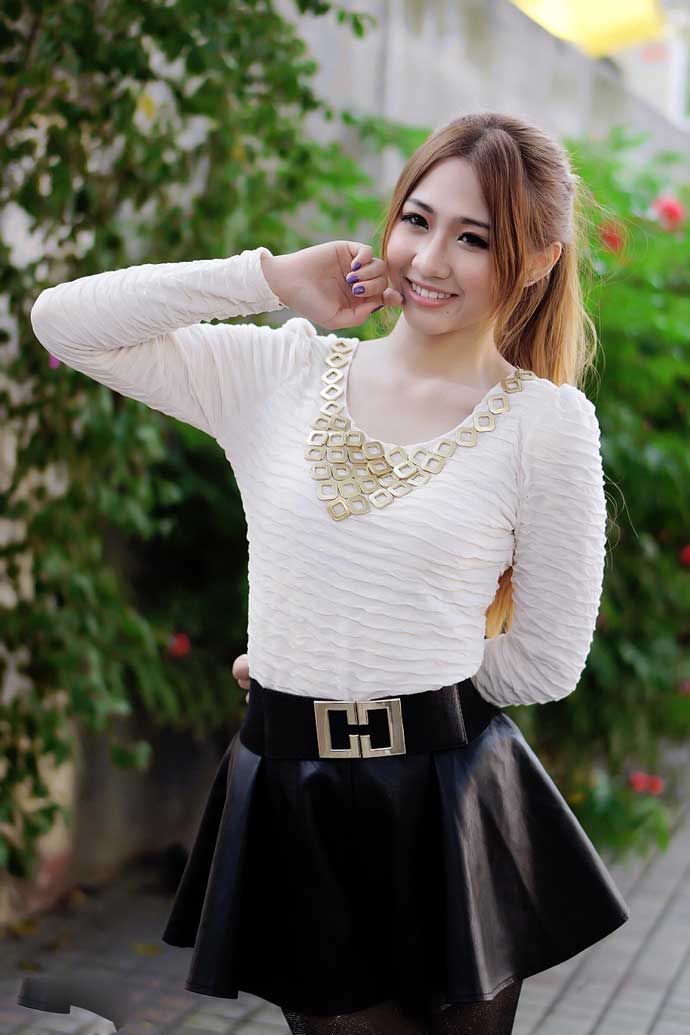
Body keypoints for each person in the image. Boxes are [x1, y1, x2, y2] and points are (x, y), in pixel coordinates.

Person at [30, 111, 630, 1035]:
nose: (429, 259)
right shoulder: (281, 373)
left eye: (474, 239)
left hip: (448, 804)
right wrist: (268, 278)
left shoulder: (545, 425)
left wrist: (362, 661)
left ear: (538, 260)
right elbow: (64, 321)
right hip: (295, 795)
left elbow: (546, 661)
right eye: (417, 219)